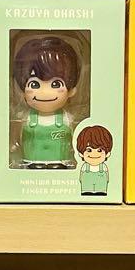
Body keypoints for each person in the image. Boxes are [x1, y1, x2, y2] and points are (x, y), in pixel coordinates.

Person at [12, 35, 81, 169]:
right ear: (22, 92)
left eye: (56, 84)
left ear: (71, 91)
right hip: (32, 162)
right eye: (34, 85)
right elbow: (17, 139)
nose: (45, 92)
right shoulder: (26, 118)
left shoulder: (67, 119)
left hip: (60, 162)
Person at [77, 125, 112, 196]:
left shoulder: (104, 167)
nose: (94, 154)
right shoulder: (84, 166)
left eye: (99, 150)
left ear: (107, 153)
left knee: (101, 193)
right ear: (81, 153)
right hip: (86, 188)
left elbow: (107, 177)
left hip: (101, 188)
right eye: (89, 150)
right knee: (86, 193)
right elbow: (81, 177)